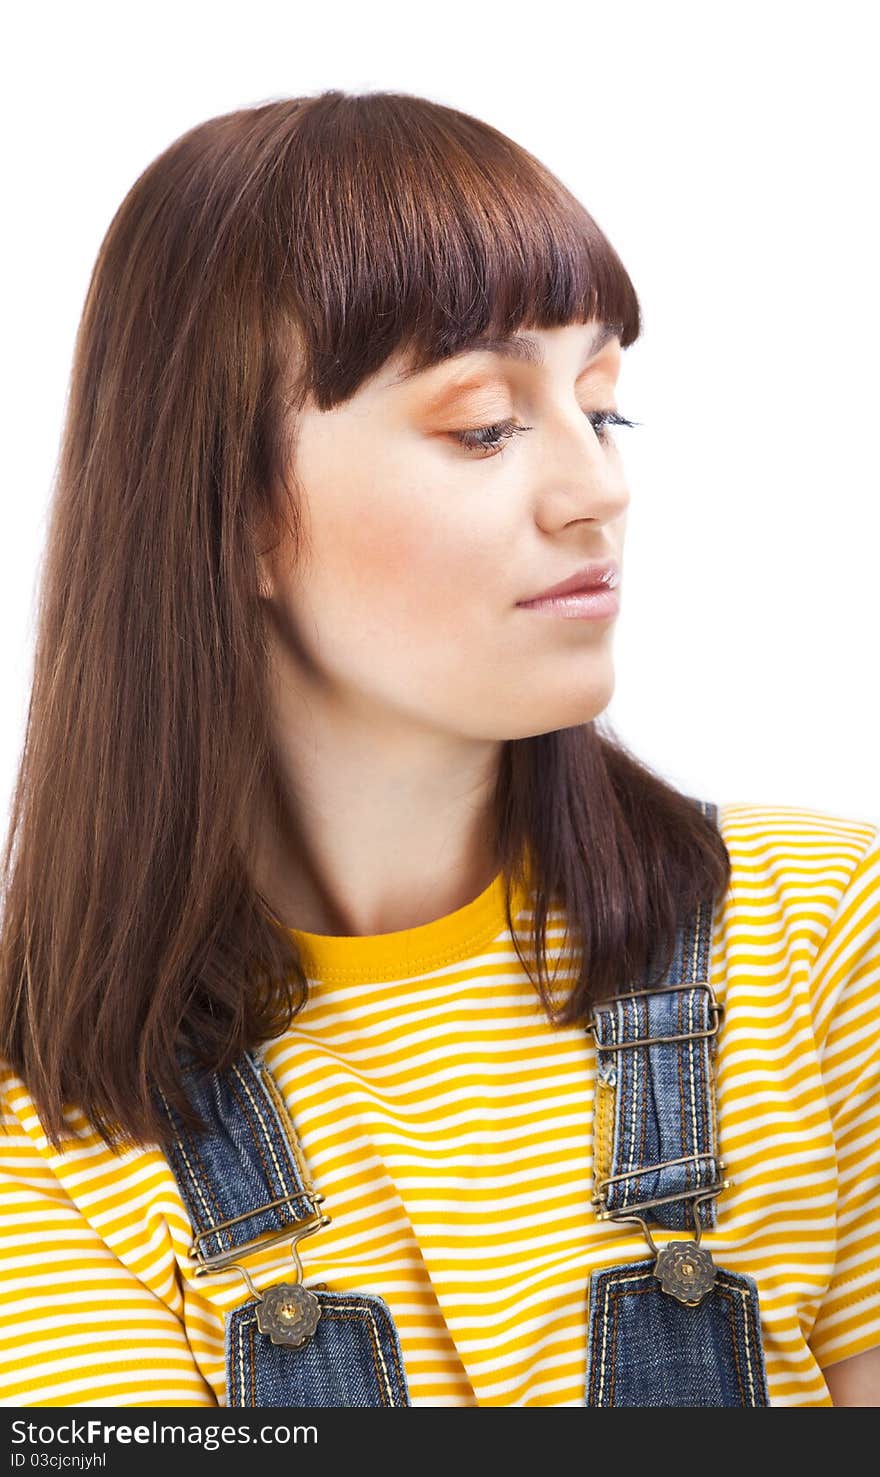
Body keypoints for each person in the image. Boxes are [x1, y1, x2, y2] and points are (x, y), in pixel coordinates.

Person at [0, 88, 877, 1409]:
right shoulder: (42, 1120)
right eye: (485, 425)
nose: (598, 488)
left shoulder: (826, 940)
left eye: (603, 408)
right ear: (230, 510)